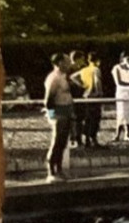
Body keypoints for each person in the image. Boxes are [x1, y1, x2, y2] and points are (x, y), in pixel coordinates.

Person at [42, 53, 75, 182]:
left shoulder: (64, 77)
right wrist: (52, 116)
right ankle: (51, 171)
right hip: (58, 112)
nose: (69, 64)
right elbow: (48, 99)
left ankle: (59, 170)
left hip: (66, 111)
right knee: (56, 142)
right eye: (66, 62)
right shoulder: (54, 78)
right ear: (60, 63)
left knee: (63, 143)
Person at [73, 51, 105, 148]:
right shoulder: (96, 69)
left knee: (88, 118)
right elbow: (97, 81)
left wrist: (83, 85)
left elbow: (73, 77)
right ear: (98, 61)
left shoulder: (84, 70)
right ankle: (93, 139)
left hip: (85, 96)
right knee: (95, 118)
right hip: (94, 96)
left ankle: (87, 140)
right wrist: (99, 92)